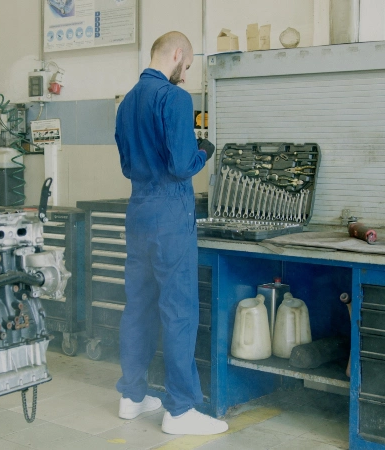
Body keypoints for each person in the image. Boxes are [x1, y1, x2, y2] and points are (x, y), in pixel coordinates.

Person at [113, 31, 226, 436]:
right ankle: (180, 411)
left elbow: (127, 165)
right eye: (188, 65)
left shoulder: (126, 101)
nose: (186, 73)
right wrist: (205, 151)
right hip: (170, 213)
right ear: (178, 54)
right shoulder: (175, 98)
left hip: (138, 209)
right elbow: (181, 165)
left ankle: (132, 396)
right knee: (179, 310)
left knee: (138, 306)